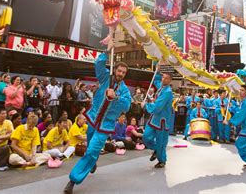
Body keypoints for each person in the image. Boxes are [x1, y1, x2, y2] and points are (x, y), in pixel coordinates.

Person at [64, 52, 131, 193]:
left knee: (93, 150)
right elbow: (98, 65)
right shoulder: (105, 77)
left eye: (123, 72)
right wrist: (107, 51)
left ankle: (73, 180)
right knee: (90, 147)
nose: (121, 74)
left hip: (105, 125)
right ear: (115, 70)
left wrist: (116, 97)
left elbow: (127, 106)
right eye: (119, 71)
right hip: (93, 119)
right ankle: (92, 163)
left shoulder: (124, 90)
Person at [142, 71, 174, 168]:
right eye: (163, 77)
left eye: (166, 78)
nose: (163, 79)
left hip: (162, 121)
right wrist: (158, 68)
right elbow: (155, 79)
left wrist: (146, 105)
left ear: (170, 80)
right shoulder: (161, 86)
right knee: (146, 137)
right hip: (154, 119)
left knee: (161, 141)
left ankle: (162, 160)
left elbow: (157, 107)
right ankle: (157, 149)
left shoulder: (168, 92)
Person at [223, 85, 246, 170]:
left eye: (242, 90)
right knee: (241, 144)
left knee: (240, 144)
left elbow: (240, 114)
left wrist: (229, 121)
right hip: (245, 127)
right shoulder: (243, 102)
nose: (240, 91)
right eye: (240, 90)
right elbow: (239, 111)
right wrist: (231, 106)